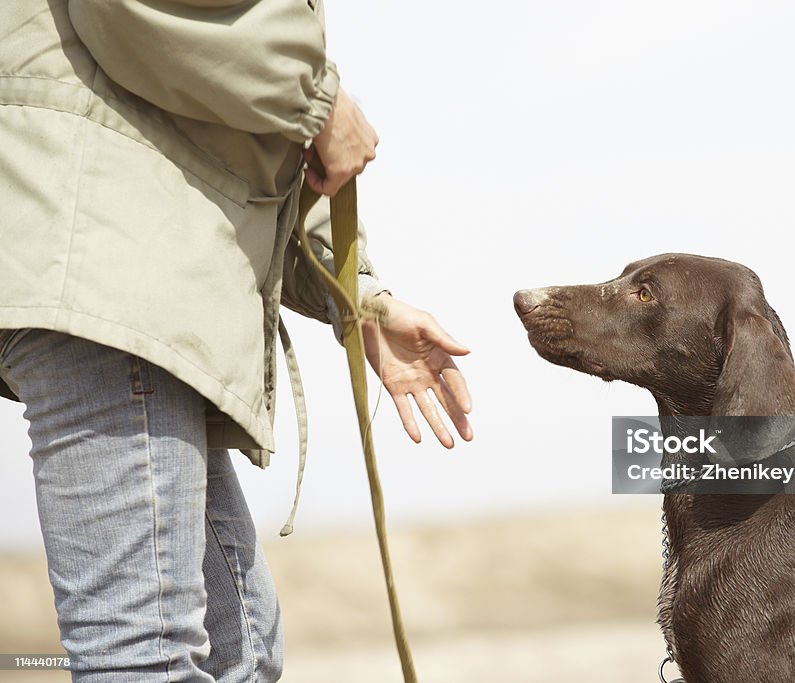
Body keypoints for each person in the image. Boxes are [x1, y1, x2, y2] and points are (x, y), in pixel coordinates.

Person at [0, 1, 472, 680]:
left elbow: (227, 137)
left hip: (141, 268)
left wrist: (361, 299)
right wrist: (318, 97)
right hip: (115, 265)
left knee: (240, 651)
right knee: (144, 657)